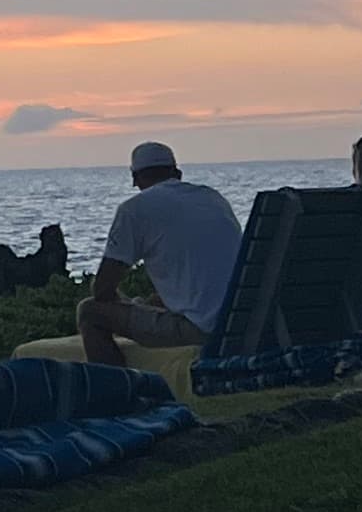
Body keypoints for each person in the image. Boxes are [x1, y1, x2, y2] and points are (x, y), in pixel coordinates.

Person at [79, 142, 243, 367]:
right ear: (177, 173)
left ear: (135, 178)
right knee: (156, 300)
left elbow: (102, 290)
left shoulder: (134, 209)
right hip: (239, 320)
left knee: (89, 312)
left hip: (203, 329)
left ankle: (115, 389)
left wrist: (129, 304)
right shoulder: (212, 198)